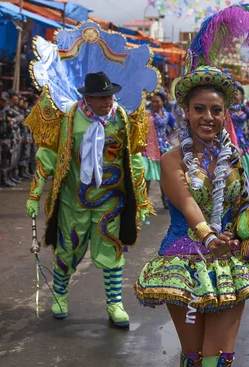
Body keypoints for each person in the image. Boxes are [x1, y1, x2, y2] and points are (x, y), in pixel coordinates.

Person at [134, 6, 249, 367]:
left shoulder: (230, 158)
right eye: (199, 109)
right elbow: (186, 202)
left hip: (229, 259)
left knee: (218, 355)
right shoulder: (172, 158)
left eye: (216, 110)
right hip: (184, 258)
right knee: (194, 356)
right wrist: (206, 236)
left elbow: (234, 212)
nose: (208, 117)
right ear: (185, 112)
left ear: (225, 115)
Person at [25, 71, 153, 327]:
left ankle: (115, 302)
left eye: (110, 95)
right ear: (89, 98)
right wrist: (35, 193)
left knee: (112, 252)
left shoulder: (121, 119)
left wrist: (141, 200)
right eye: (101, 97)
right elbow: (48, 156)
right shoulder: (70, 118)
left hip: (111, 201)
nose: (108, 101)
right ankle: (60, 295)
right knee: (67, 249)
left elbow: (136, 161)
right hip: (74, 201)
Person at [144, 91, 175, 208]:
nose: (155, 104)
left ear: (163, 102)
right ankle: (144, 202)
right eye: (152, 101)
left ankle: (165, 200)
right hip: (148, 148)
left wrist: (168, 138)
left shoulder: (167, 115)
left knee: (164, 175)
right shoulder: (147, 114)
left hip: (163, 148)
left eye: (157, 101)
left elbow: (174, 128)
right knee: (147, 175)